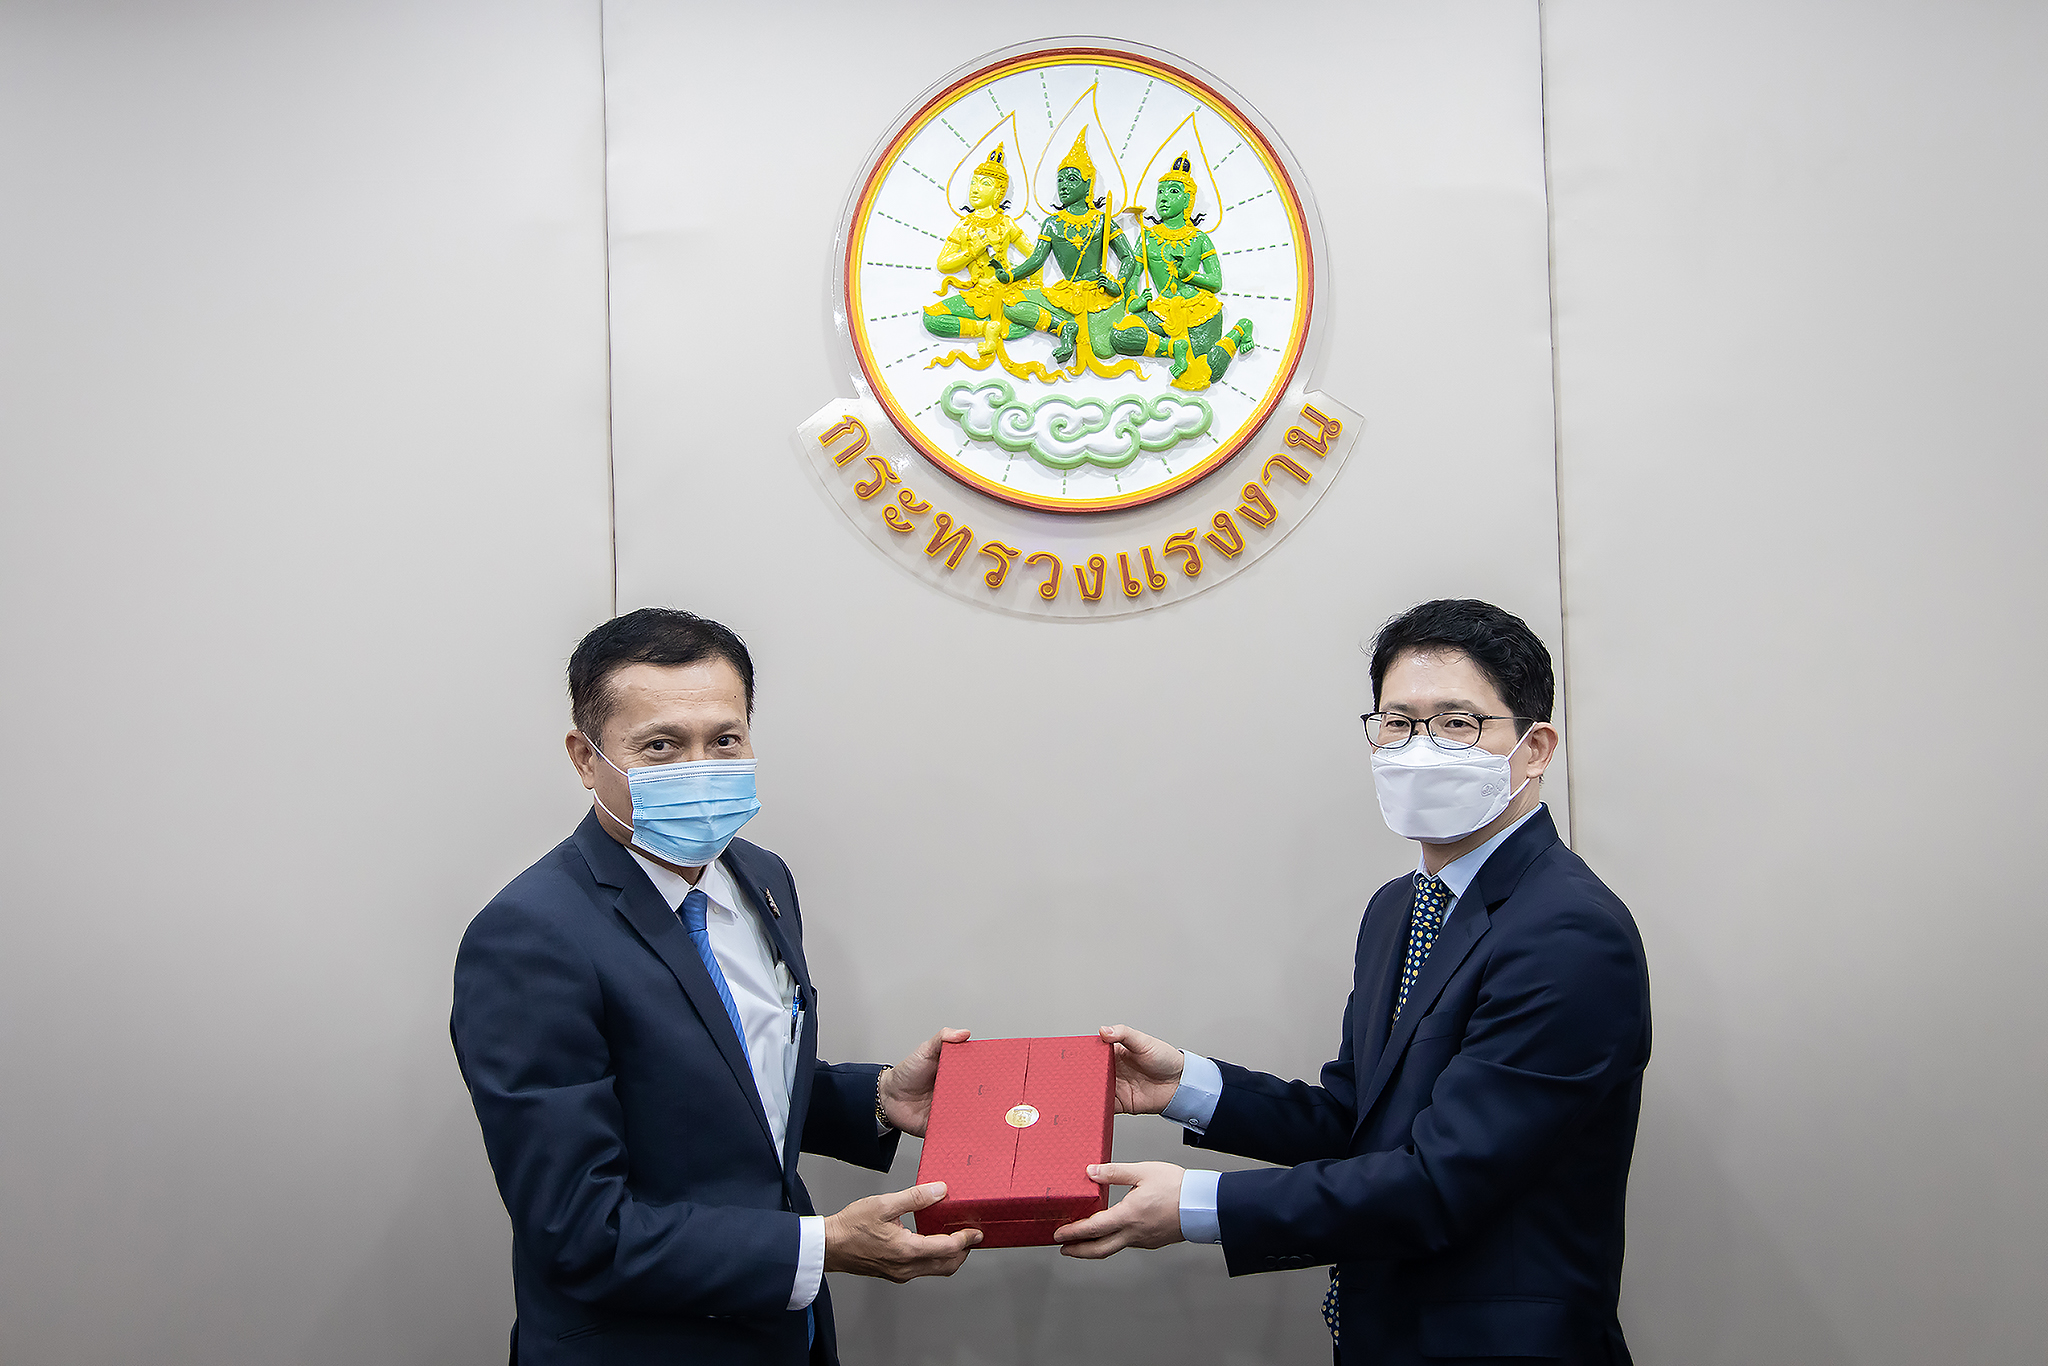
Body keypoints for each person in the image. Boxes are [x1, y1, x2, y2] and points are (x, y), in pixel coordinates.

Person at [1056, 599, 1651, 1366]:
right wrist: (1184, 1087)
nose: (1419, 748)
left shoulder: (1568, 932)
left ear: (1534, 748)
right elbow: (1356, 1123)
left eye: (1457, 723)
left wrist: (1199, 1204)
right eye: (1398, 723)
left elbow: (1439, 1183)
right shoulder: (1398, 908)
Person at [451, 609, 981, 1365]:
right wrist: (820, 1247)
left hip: (785, 1337)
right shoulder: (530, 938)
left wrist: (877, 1098)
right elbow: (579, 1230)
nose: (700, 768)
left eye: (724, 740)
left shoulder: (760, 876)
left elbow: (726, 1076)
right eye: (661, 746)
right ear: (585, 758)